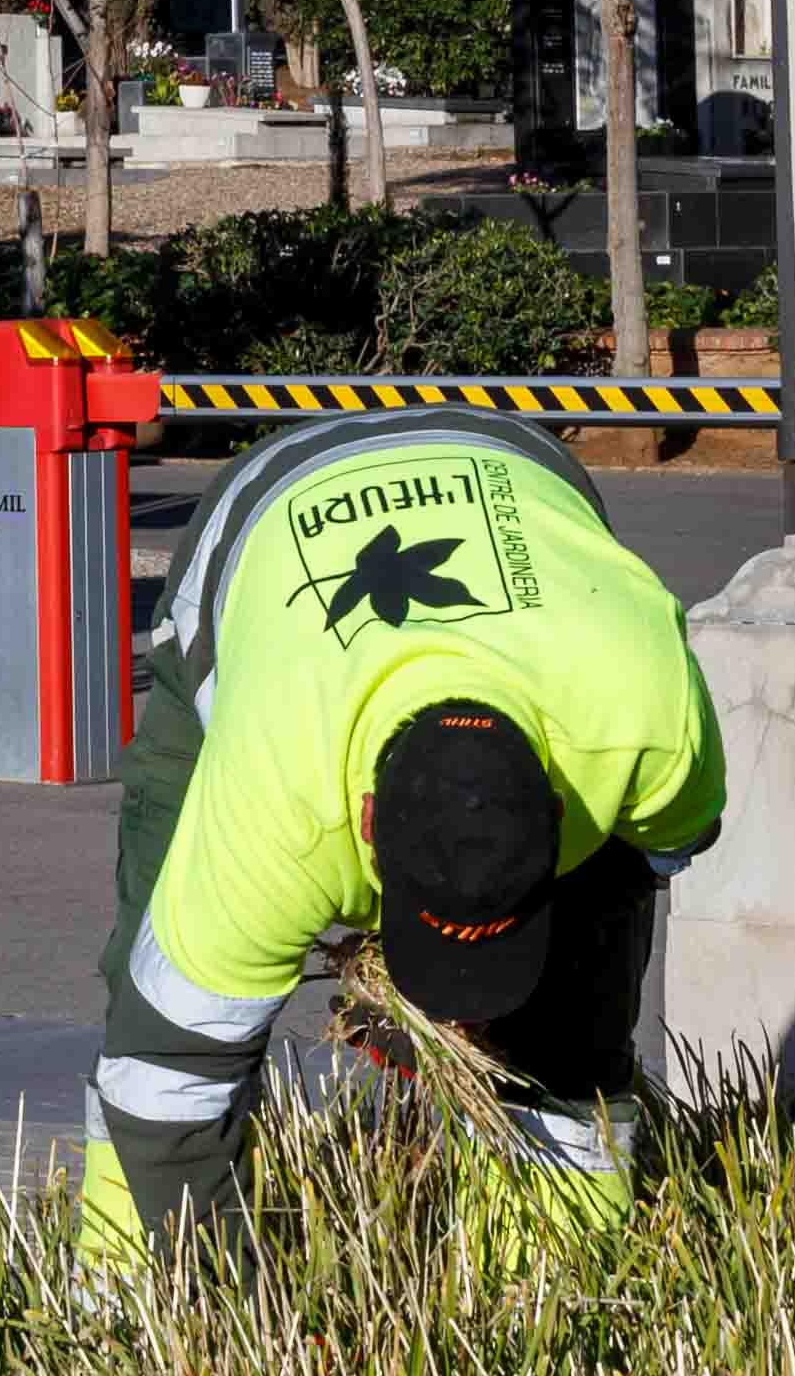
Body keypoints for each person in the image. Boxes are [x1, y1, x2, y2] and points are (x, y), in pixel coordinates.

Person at [84, 411, 725, 1266]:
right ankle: (127, 1303)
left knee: (581, 996)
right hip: (261, 515)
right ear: (359, 829)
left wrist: (547, 1033)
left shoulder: (644, 726)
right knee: (157, 991)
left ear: (562, 797)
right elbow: (168, 1072)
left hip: (519, 471)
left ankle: (556, 1274)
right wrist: (189, 1336)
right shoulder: (272, 810)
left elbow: (648, 865)